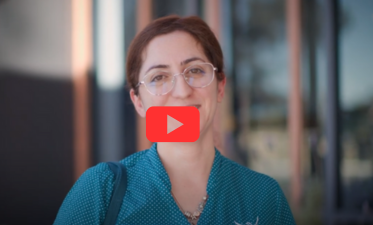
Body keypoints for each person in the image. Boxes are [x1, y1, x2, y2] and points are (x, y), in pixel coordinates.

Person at [54, 15, 295, 225]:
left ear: (220, 87)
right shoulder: (101, 190)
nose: (181, 91)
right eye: (159, 77)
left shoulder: (264, 198)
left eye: (195, 71)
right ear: (138, 102)